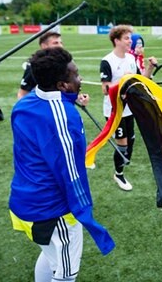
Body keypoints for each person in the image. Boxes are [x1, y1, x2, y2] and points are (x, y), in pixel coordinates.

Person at [9, 47, 114, 281]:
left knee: (50, 255)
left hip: (23, 203)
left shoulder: (24, 104)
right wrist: (84, 211)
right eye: (75, 76)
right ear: (62, 85)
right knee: (66, 274)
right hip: (54, 212)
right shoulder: (65, 116)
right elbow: (70, 172)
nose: (81, 79)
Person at [101, 25, 151, 191]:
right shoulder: (107, 61)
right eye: (127, 38)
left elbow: (140, 80)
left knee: (130, 142)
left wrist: (150, 68)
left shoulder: (131, 59)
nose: (131, 41)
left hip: (130, 109)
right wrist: (122, 81)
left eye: (130, 38)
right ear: (117, 41)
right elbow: (105, 89)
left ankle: (121, 163)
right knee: (122, 145)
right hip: (115, 111)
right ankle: (119, 174)